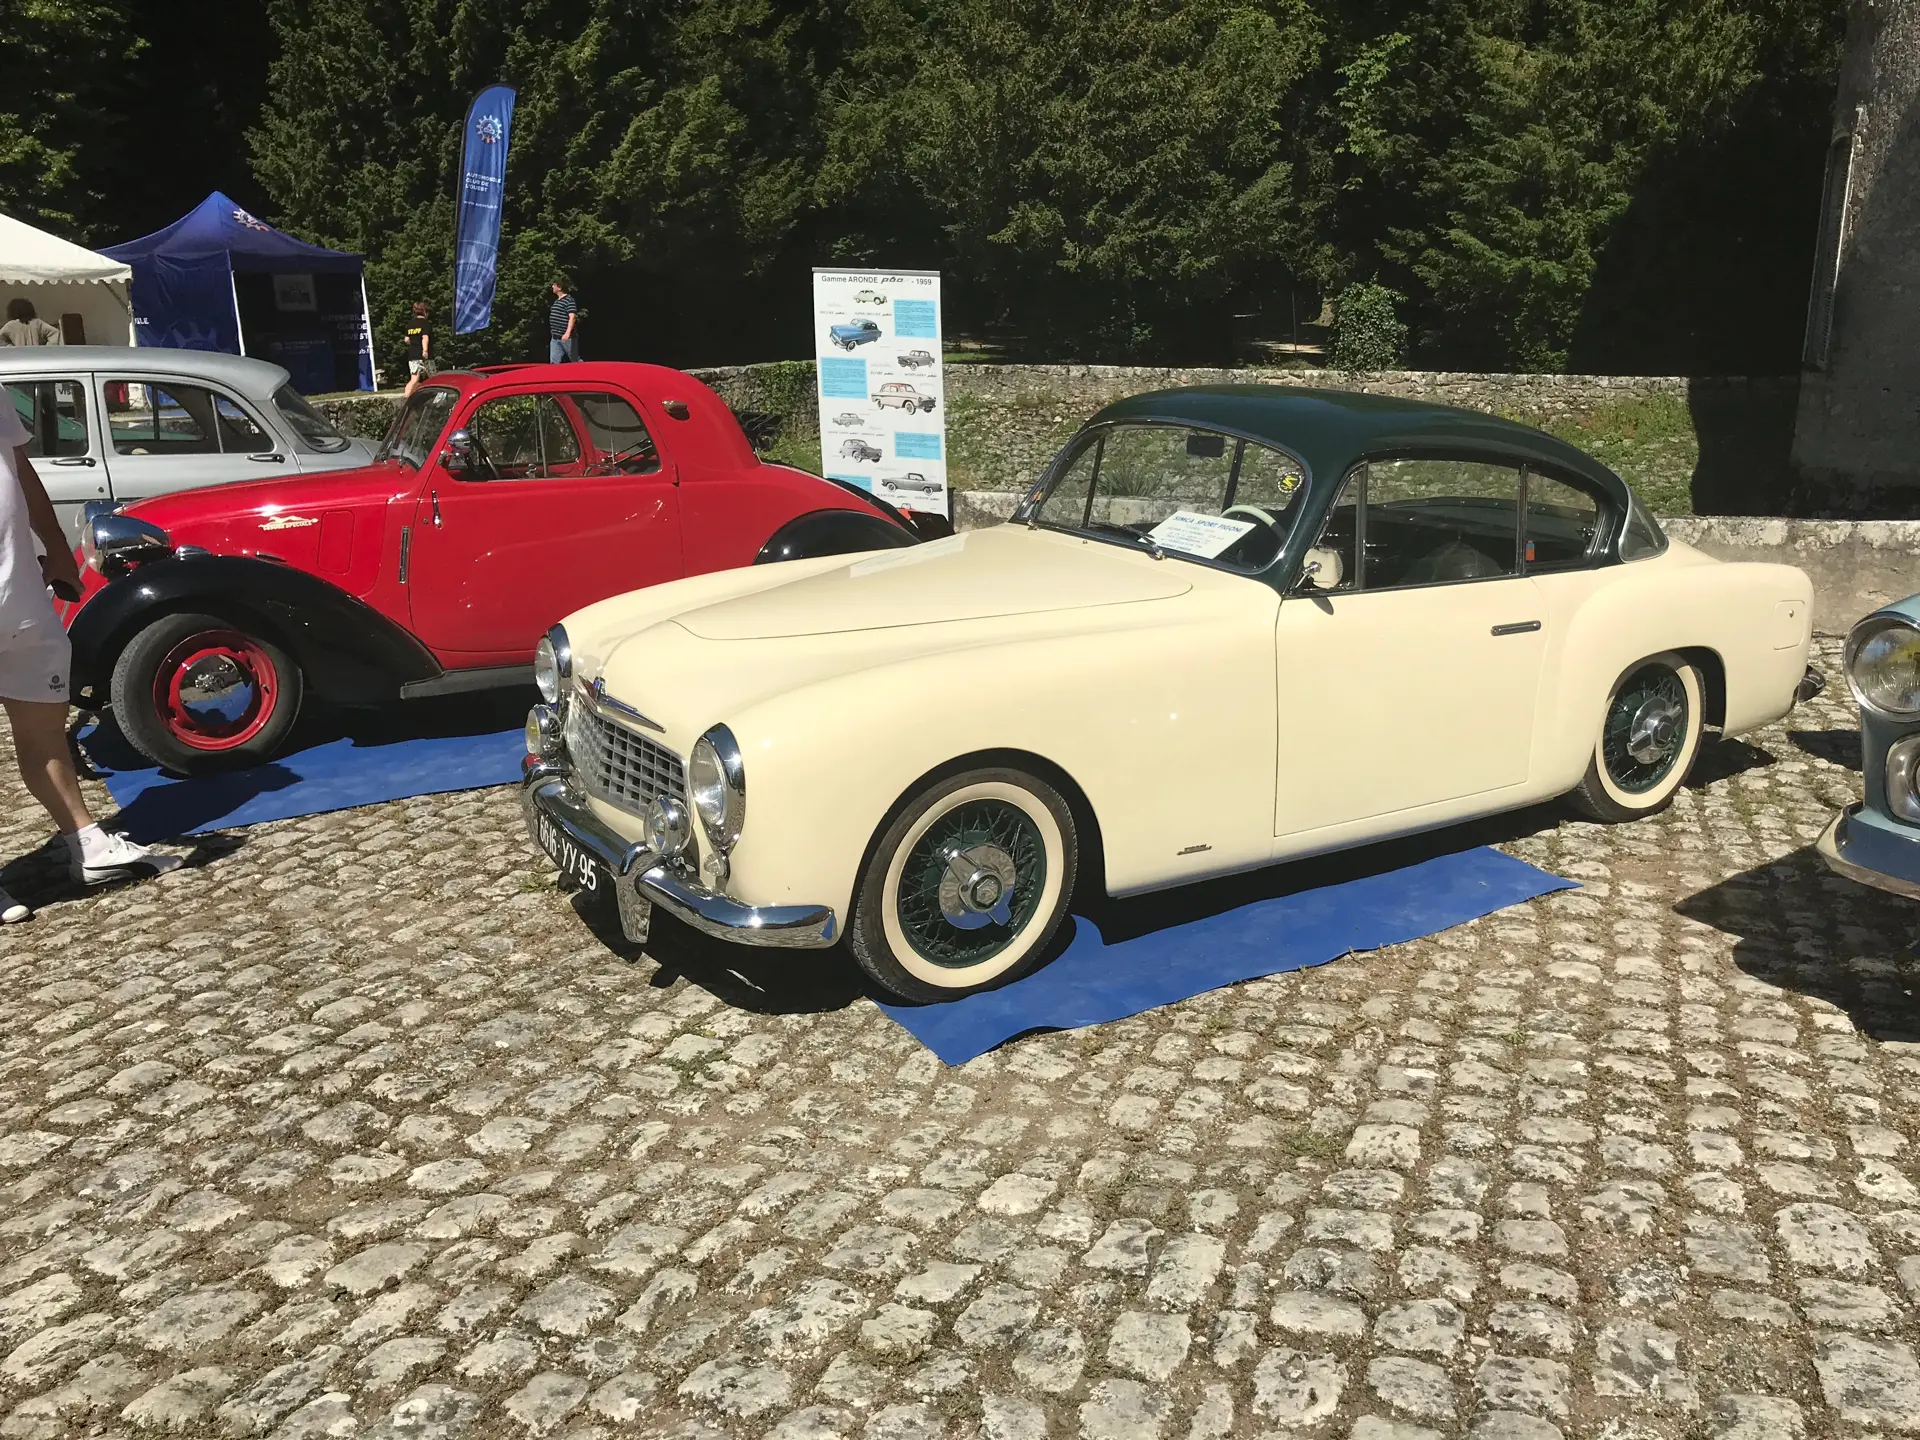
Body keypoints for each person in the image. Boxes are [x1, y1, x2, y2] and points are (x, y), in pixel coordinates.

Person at [0, 404, 179, 922]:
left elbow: (19, 468)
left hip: (19, 595)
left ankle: (88, 846)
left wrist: (56, 550)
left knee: (45, 730)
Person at [403, 301, 433, 397]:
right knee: (433, 378)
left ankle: (406, 397)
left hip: (412, 355)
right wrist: (425, 350)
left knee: (414, 379)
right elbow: (425, 337)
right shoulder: (425, 323)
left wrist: (413, 342)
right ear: (424, 311)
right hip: (423, 355)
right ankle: (436, 398)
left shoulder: (410, 324)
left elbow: (406, 339)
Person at [548, 281, 579, 363]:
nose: (552, 286)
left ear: (559, 288)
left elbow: (572, 317)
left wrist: (567, 333)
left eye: (554, 285)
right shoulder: (557, 301)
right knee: (554, 362)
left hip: (567, 337)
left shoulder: (569, 300)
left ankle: (587, 373)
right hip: (555, 337)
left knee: (575, 360)